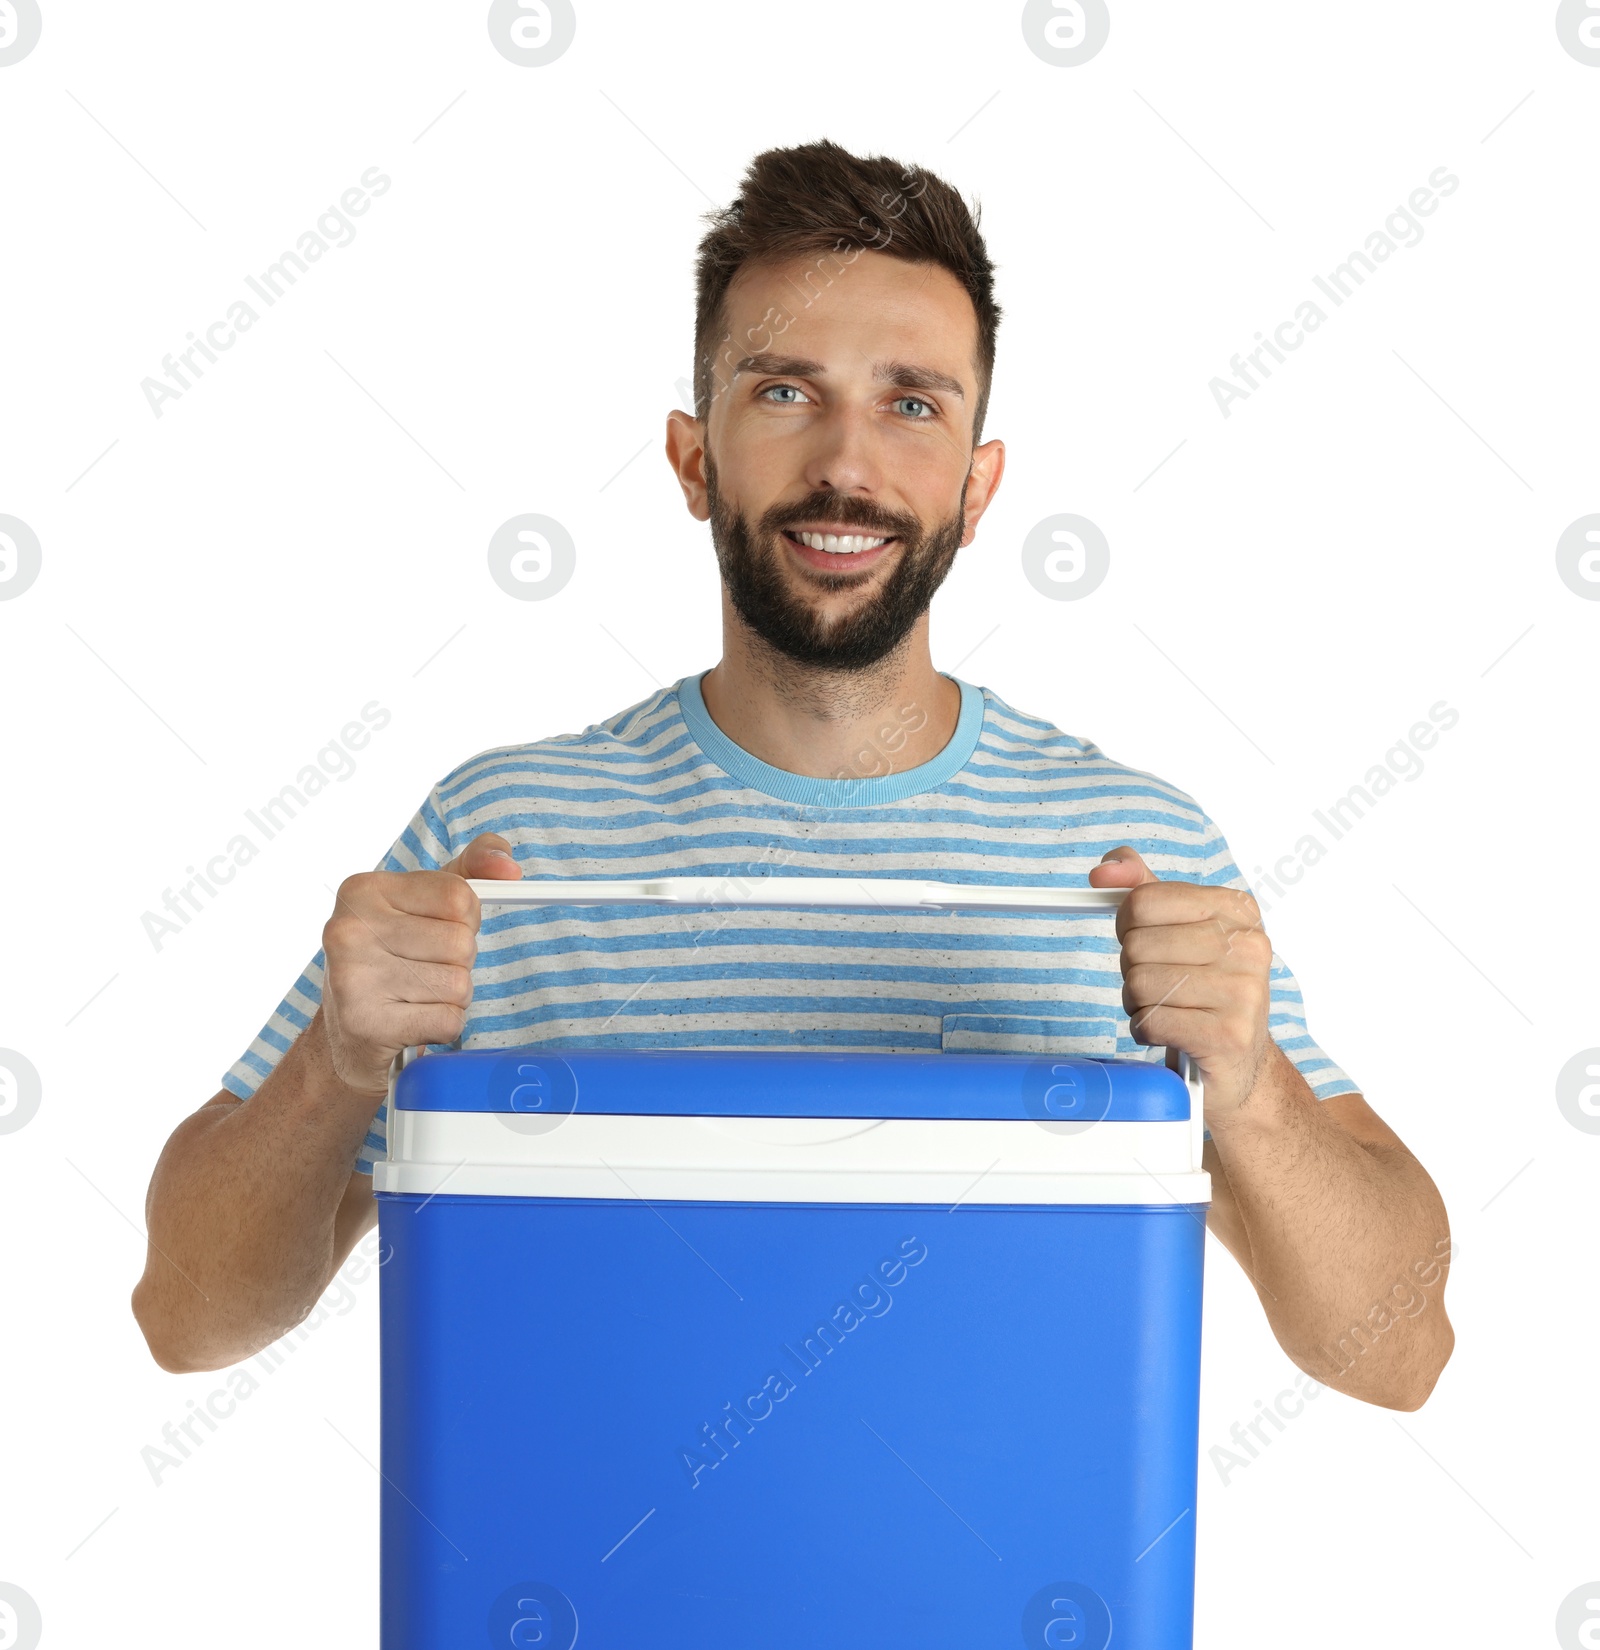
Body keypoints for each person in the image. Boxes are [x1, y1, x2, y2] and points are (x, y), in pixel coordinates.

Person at [133, 140, 1453, 1409]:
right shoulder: (504, 844)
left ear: (979, 485)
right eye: (782, 390)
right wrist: (340, 1059)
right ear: (692, 456)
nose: (846, 462)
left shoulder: (1130, 851)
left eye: (911, 401)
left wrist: (1251, 1082)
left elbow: (1399, 1353)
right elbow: (187, 1314)